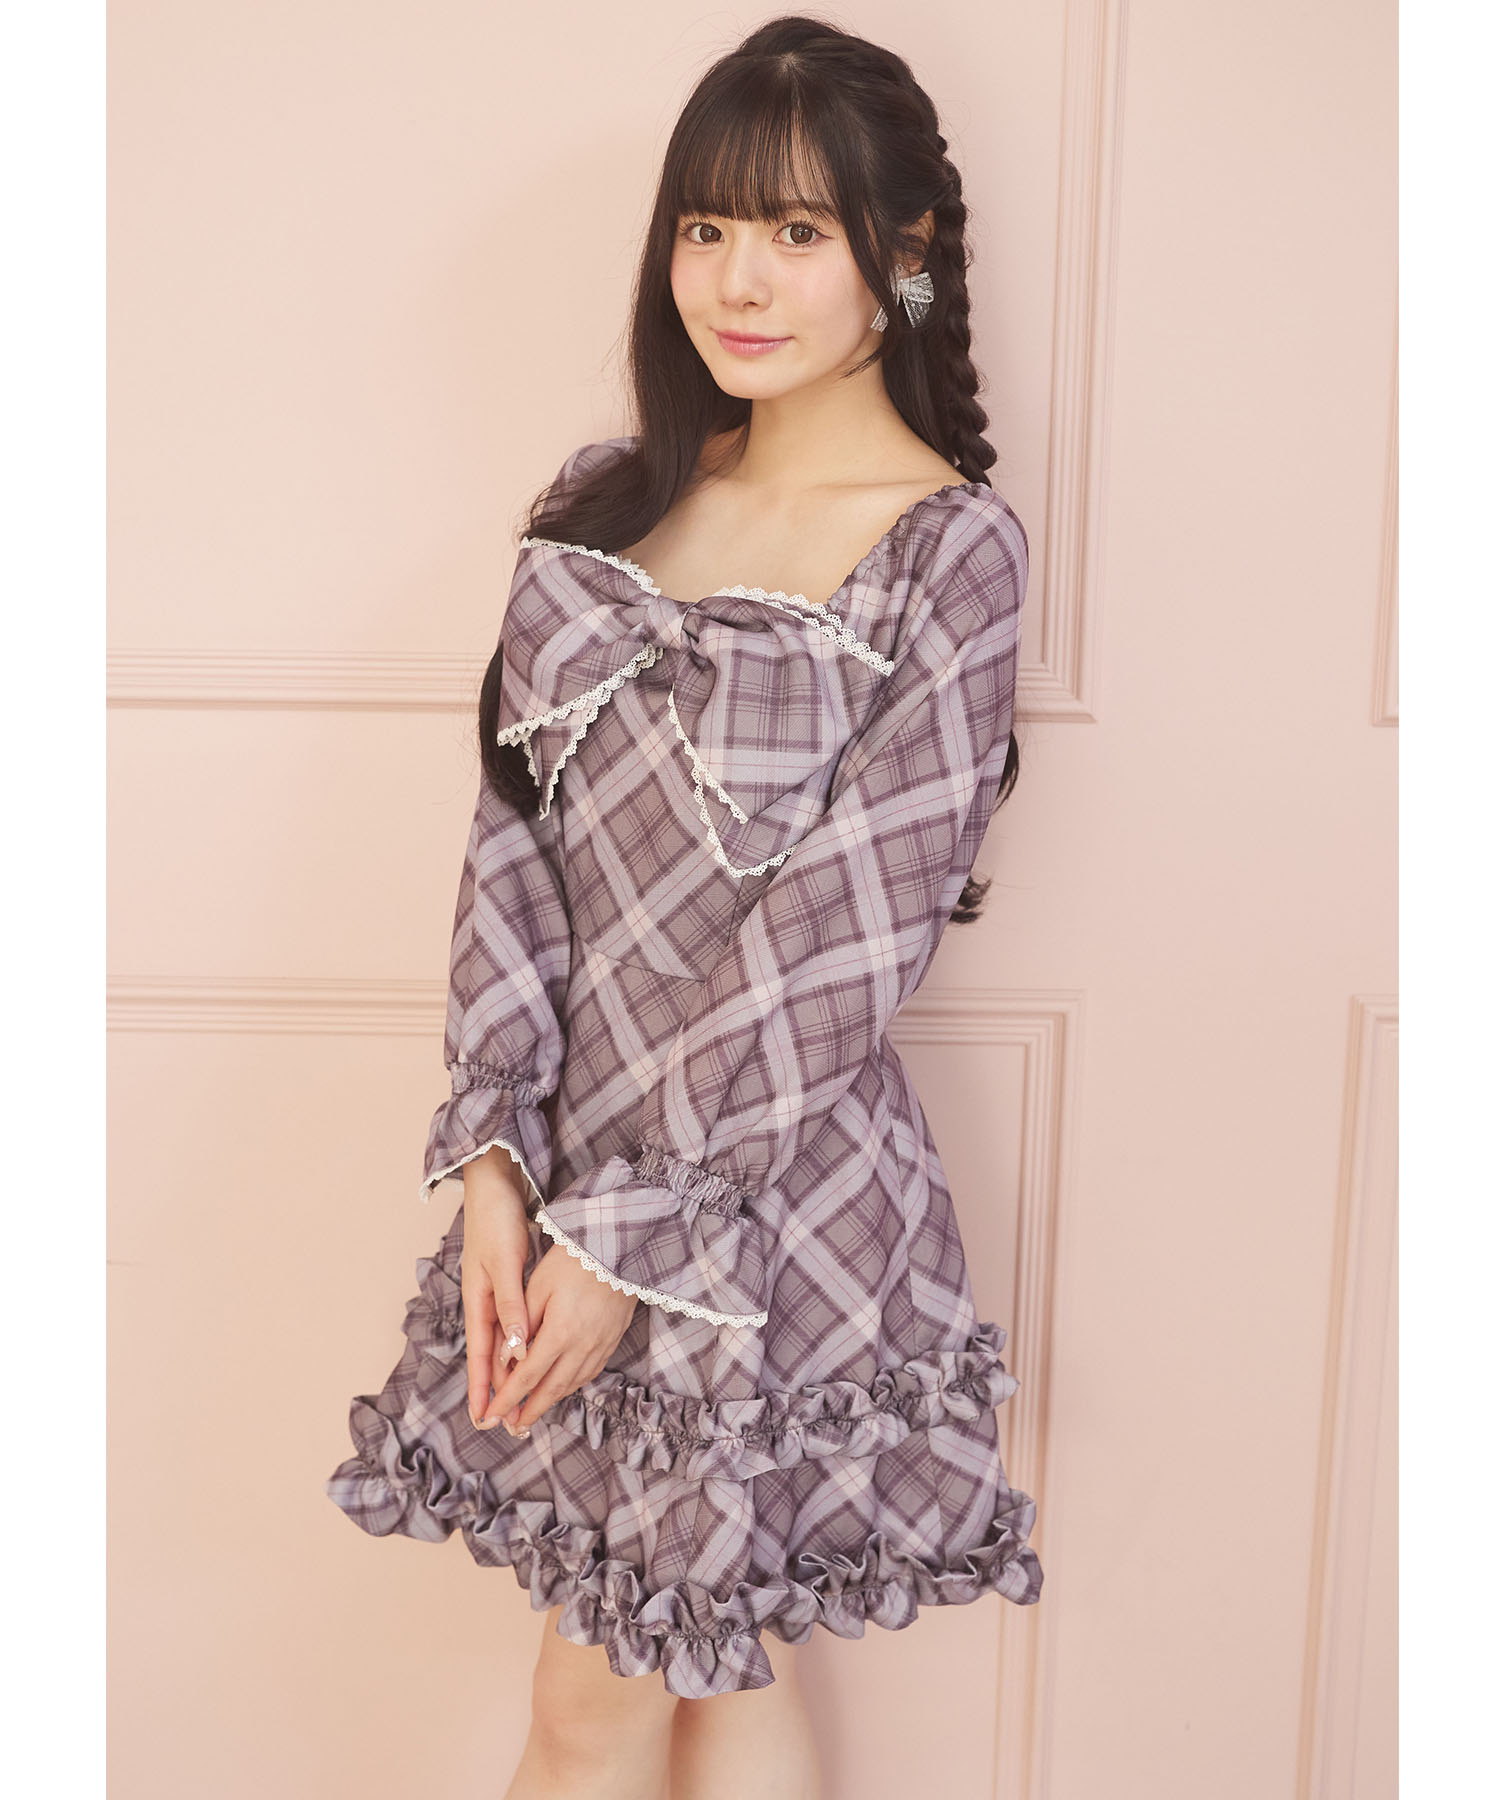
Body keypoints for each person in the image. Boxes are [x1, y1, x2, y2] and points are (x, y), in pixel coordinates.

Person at [326, 15, 1043, 1797]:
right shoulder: (606, 505)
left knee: (606, 1702)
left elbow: (851, 936)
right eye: (709, 226)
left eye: (797, 231)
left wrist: (631, 1231)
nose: (738, 278)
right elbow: (511, 859)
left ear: (905, 250)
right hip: (570, 1176)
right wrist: (496, 1158)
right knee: (723, 1678)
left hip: (773, 1202)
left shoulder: (950, 551)